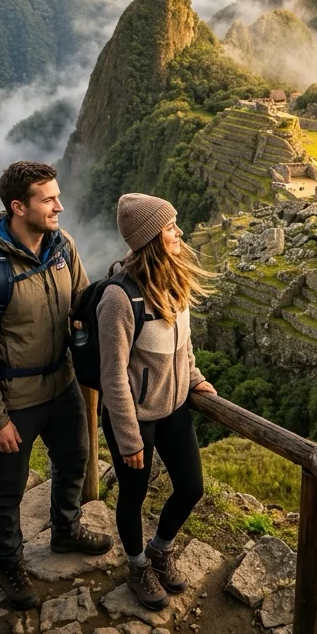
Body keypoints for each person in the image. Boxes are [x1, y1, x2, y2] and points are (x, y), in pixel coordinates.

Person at [0, 160, 112, 609]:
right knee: (9, 486)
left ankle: (65, 531)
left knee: (75, 458)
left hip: (62, 384)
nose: (60, 206)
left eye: (57, 196)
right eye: (49, 200)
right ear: (18, 206)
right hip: (16, 398)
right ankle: (10, 563)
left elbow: (82, 303)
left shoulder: (63, 247)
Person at [97, 193, 216, 609]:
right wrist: (129, 438)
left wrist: (196, 379)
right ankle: (136, 566)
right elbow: (112, 374)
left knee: (191, 487)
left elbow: (183, 345)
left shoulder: (174, 279)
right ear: (151, 238)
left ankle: (160, 550)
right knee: (133, 494)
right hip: (134, 415)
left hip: (174, 406)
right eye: (170, 227)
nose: (179, 232)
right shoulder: (119, 298)